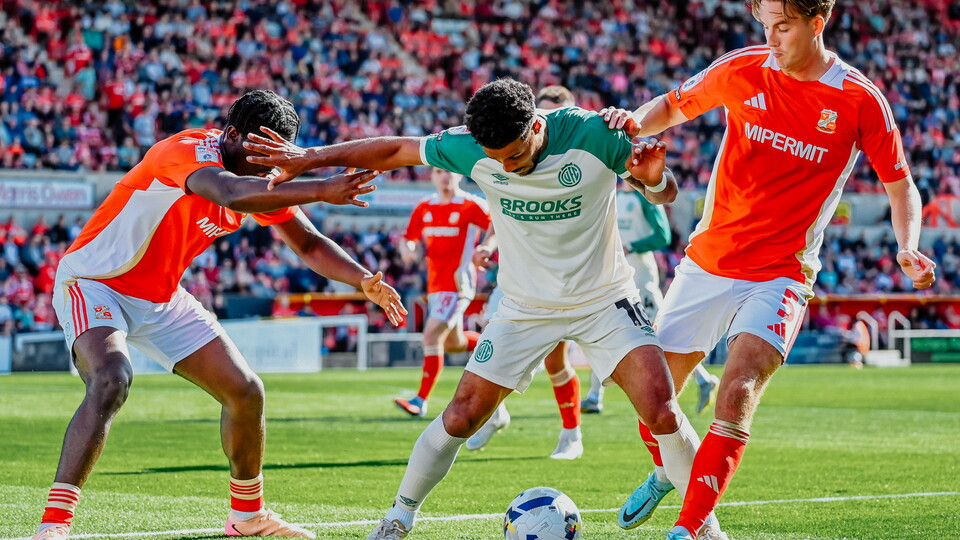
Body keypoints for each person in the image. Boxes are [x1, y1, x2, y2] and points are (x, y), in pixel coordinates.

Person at [246, 78, 727, 540]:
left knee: (661, 410)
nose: (509, 167)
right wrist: (309, 158)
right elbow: (395, 150)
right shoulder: (471, 146)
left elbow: (665, 194)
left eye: (515, 155)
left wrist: (653, 180)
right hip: (524, 308)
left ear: (537, 127)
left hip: (604, 300)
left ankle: (706, 530)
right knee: (460, 415)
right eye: (497, 160)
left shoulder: (595, 132)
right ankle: (397, 519)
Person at [601, 2, 936, 538]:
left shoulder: (858, 99)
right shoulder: (741, 69)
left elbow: (901, 187)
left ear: (816, 24)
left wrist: (907, 246)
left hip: (782, 273)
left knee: (737, 391)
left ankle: (690, 530)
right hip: (707, 263)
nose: (772, 38)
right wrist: (629, 122)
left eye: (783, 27)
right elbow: (669, 106)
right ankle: (668, 469)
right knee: (652, 398)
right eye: (765, 26)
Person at [33, 90, 407, 540]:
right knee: (112, 377)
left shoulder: (263, 173)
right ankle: (55, 526)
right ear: (231, 135)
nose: (268, 168)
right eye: (260, 153)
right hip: (95, 282)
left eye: (277, 157)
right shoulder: (185, 150)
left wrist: (363, 279)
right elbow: (230, 194)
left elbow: (307, 244)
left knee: (246, 392)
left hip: (161, 298)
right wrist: (322, 188)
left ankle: (247, 516)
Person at [463, 85, 587, 460]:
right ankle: (494, 411)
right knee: (492, 341)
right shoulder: (513, 157)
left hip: (569, 277)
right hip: (519, 275)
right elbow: (503, 212)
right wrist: (488, 244)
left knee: (555, 360)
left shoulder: (579, 157)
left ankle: (571, 434)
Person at [581, 179, 721, 416]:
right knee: (604, 328)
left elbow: (662, 235)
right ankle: (595, 396)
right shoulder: (612, 195)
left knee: (661, 331)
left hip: (641, 277)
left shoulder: (644, 198)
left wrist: (632, 245)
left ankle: (704, 379)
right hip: (615, 274)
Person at [393, 167, 490, 417]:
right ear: (432, 177)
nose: (444, 176)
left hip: (458, 284)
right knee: (454, 343)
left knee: (431, 335)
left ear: (459, 175)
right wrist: (408, 249)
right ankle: (499, 348)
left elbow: (498, 226)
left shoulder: (472, 205)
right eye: (438, 171)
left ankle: (420, 400)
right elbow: (408, 237)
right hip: (435, 285)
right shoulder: (425, 207)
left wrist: (485, 248)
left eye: (449, 171)